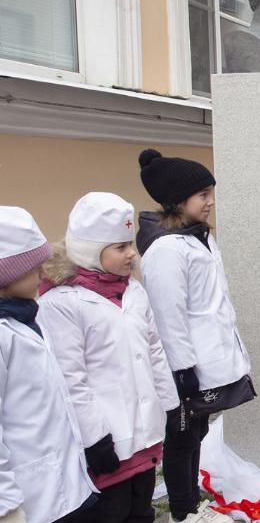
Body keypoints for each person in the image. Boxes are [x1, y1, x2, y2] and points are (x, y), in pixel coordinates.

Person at [38, 193, 180, 523]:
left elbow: (154, 351)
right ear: (90, 250)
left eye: (130, 244)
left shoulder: (133, 291)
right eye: (120, 247)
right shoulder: (62, 303)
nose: (132, 253)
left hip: (143, 432)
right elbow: (71, 379)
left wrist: (170, 407)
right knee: (112, 513)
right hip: (107, 439)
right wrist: (94, 438)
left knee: (141, 509)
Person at [136, 150, 252, 523]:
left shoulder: (199, 238)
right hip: (185, 363)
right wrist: (182, 368)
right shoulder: (166, 249)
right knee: (182, 437)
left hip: (207, 358)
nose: (211, 201)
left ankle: (191, 499)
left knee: (197, 431)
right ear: (177, 200)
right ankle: (183, 511)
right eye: (202, 194)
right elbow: (168, 315)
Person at [0, 207, 97, 523]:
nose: (43, 274)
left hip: (69, 486)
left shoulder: (29, 316)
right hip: (31, 501)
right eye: (33, 268)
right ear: (7, 275)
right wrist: (6, 507)